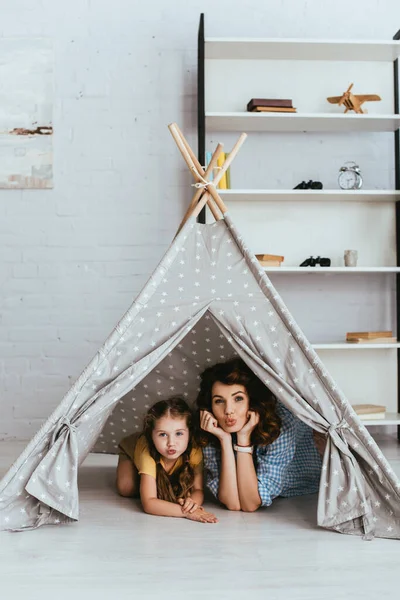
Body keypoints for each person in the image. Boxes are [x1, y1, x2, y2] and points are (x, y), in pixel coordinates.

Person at [196, 358, 323, 512]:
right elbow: (233, 503)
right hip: (256, 493)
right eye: (219, 401)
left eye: (238, 399)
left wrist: (243, 439)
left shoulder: (281, 424)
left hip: (302, 493)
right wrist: (224, 440)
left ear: (252, 401)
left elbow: (249, 504)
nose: (228, 410)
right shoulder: (213, 427)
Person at [116, 396, 218, 524]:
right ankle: (146, 477)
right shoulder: (146, 452)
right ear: (151, 435)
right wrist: (186, 512)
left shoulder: (194, 449)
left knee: (179, 492)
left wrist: (191, 504)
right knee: (127, 489)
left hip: (165, 464)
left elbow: (198, 490)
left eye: (179, 434)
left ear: (189, 433)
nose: (171, 443)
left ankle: (154, 479)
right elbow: (149, 503)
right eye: (163, 434)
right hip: (130, 452)